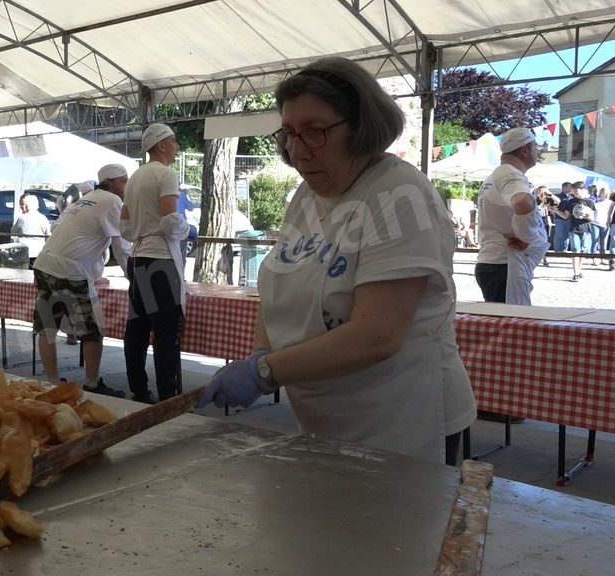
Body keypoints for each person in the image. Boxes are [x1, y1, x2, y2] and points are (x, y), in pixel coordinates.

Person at [195, 57, 476, 465]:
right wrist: (262, 353)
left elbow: (377, 335)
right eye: (289, 133)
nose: (296, 150)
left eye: (316, 132)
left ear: (361, 128)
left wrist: (266, 373)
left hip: (402, 421)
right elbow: (279, 281)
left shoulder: (399, 196)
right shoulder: (306, 197)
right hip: (325, 416)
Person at [32, 163, 131, 398]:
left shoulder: (82, 200)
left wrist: (95, 276)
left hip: (44, 265)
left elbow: (81, 240)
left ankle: (52, 381)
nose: (126, 185)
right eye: (124, 180)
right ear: (114, 182)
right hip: (70, 271)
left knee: (47, 328)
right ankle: (93, 383)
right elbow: (121, 247)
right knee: (92, 331)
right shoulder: (112, 202)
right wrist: (133, 278)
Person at [121, 123, 189, 404]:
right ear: (161, 145)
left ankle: (138, 389)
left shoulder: (135, 177)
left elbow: (124, 227)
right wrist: (187, 230)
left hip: (137, 258)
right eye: (174, 141)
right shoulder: (166, 174)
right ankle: (167, 395)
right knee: (165, 331)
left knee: (137, 327)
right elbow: (170, 220)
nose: (177, 146)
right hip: (159, 259)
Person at [474, 127, 548, 305]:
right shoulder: (511, 174)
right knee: (513, 326)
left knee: (503, 325)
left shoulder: (495, 176)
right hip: (505, 265)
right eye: (535, 147)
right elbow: (522, 202)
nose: (537, 151)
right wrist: (527, 237)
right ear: (524, 150)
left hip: (496, 263)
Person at [553, 183, 595, 282]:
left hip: (586, 229)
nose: (575, 192)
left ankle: (579, 271)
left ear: (583, 190)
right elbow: (566, 216)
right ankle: (575, 272)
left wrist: (585, 215)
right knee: (575, 250)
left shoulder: (590, 202)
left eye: (577, 190)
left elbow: (592, 218)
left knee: (583, 251)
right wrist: (556, 211)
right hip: (573, 229)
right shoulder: (571, 202)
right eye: (574, 191)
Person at [12, 194, 50, 267]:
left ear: (28, 205)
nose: (22, 206)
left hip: (24, 252)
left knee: (24, 274)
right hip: (39, 252)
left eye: (23, 204)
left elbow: (13, 232)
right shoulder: (43, 218)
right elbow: (49, 235)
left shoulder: (22, 218)